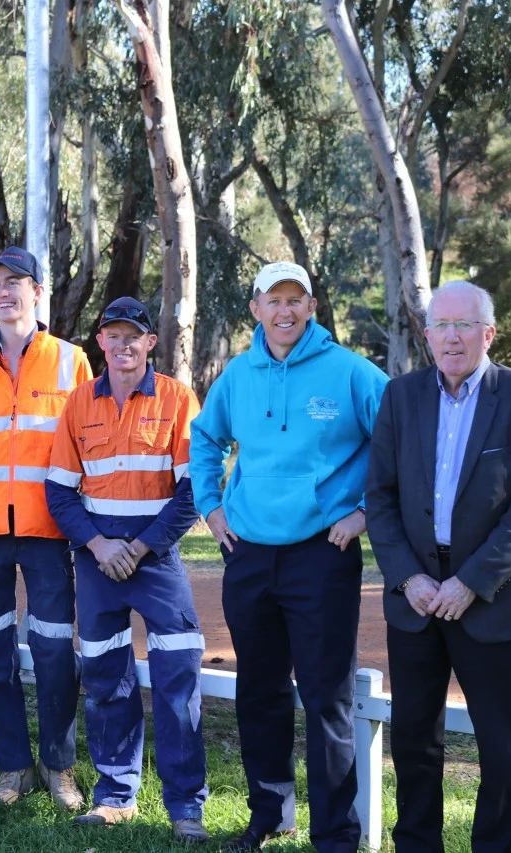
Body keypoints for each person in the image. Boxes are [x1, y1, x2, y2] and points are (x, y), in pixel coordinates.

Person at [188, 262, 389, 852]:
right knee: (259, 689)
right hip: (248, 553)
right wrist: (211, 507)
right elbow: (205, 438)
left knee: (327, 697)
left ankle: (335, 834)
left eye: (295, 299)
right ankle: (270, 814)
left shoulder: (350, 371)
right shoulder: (238, 373)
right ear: (255, 310)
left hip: (323, 553)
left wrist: (364, 513)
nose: (285, 311)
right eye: (273, 300)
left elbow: (399, 439)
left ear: (311, 307)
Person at [365, 281, 511, 853]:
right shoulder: (400, 396)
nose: (452, 337)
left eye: (465, 325)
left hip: (492, 597)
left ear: (488, 333)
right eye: (441, 326)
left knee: (498, 745)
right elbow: (380, 497)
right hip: (416, 598)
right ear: (426, 336)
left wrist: (470, 583)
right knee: (414, 741)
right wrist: (408, 577)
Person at [45, 297, 211, 844]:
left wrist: (138, 548)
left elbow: (193, 491)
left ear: (149, 343)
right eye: (112, 336)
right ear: (100, 342)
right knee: (104, 678)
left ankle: (185, 806)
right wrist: (98, 545)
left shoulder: (177, 399)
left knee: (178, 677)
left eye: (132, 336)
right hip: (97, 562)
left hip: (155, 559)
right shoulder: (79, 402)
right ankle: (115, 796)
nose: (122, 345)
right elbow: (59, 492)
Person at [0, 246, 93, 811]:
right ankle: (12, 769)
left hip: (47, 532)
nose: (4, 292)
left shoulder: (71, 361)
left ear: (37, 292)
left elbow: (86, 446)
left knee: (54, 652)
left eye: (15, 282)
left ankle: (59, 766)